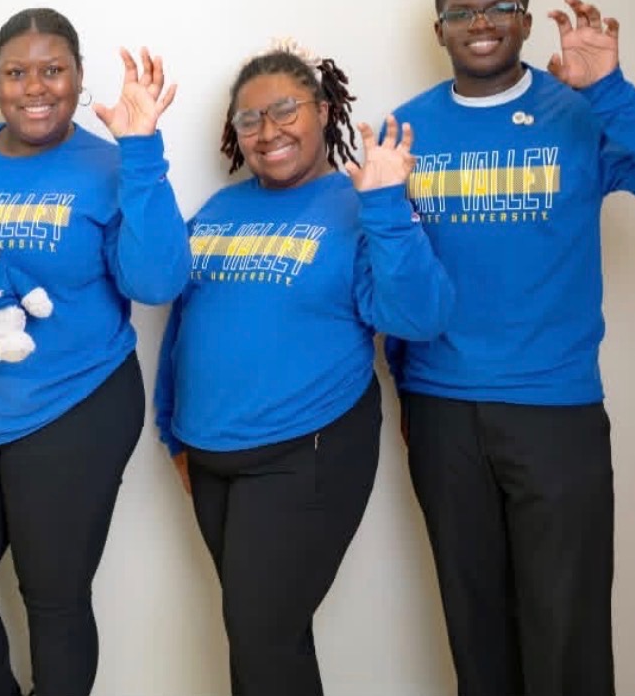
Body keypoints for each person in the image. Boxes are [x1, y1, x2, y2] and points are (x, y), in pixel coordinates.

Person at [387, 0, 635, 696]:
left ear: (525, 18)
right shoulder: (409, 127)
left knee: (566, 625)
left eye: (499, 8)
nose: (480, 23)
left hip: (556, 408)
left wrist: (612, 91)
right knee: (475, 625)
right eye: (463, 13)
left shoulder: (580, 109)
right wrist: (407, 394)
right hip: (443, 409)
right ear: (441, 30)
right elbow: (394, 268)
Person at [0, 8, 190, 696]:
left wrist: (142, 150)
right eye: (16, 72)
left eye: (52, 70)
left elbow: (157, 281)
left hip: (76, 404)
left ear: (79, 79)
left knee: (52, 599)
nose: (35, 87)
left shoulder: (109, 164)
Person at [153, 42, 453, 696]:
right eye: (249, 120)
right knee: (265, 640)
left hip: (305, 450)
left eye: (285, 110)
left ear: (322, 110)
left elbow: (418, 316)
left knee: (260, 635)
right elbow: (184, 324)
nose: (268, 132)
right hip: (210, 456)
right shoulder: (219, 211)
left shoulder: (361, 203)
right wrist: (172, 431)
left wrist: (385, 207)